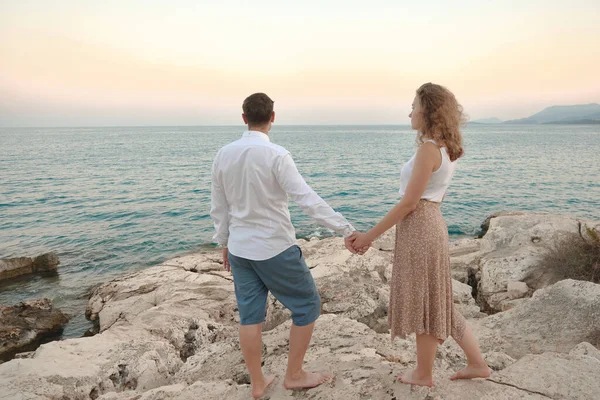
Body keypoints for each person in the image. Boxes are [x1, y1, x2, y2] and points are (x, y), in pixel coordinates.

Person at [210, 93, 358, 398]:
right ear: (273, 117)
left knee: (250, 316)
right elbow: (306, 199)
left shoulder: (223, 155)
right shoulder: (277, 155)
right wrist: (346, 228)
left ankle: (258, 382)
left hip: (240, 249)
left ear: (244, 118)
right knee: (307, 306)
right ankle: (294, 374)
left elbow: (219, 206)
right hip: (274, 247)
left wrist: (223, 242)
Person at [349, 83, 491, 387]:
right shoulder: (442, 146)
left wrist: (368, 236)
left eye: (414, 105)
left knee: (428, 303)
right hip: (429, 223)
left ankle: (424, 373)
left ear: (429, 110)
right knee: (438, 301)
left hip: (420, 226)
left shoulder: (429, 149)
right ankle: (477, 364)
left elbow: (409, 202)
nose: (410, 111)